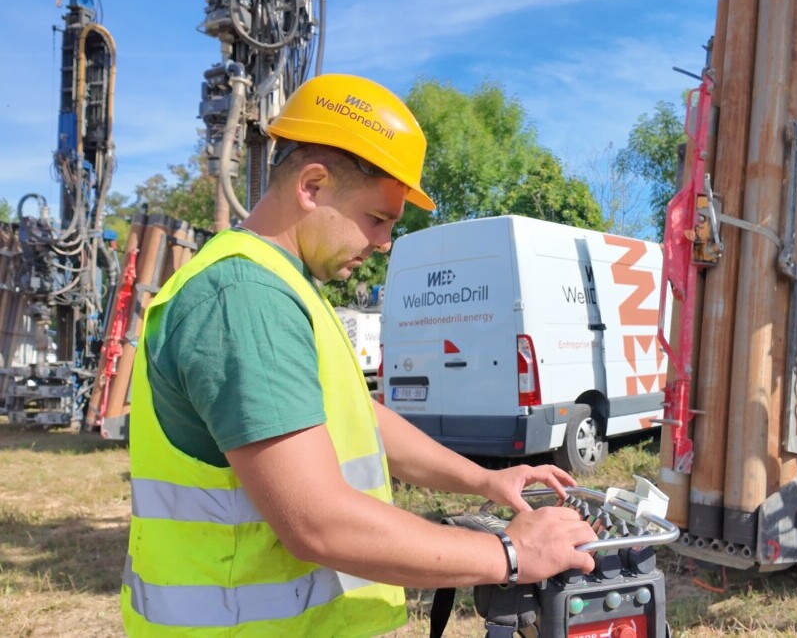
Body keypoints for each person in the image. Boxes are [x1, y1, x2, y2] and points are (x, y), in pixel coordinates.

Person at [120, 73, 598, 636]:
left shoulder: (286, 288)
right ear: (313, 186)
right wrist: (510, 554)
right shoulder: (246, 299)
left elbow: (361, 420)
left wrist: (485, 481)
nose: (384, 242)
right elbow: (317, 522)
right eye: (377, 218)